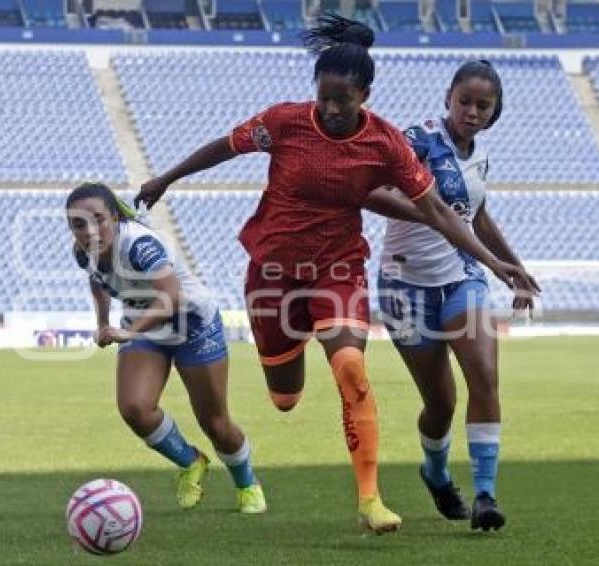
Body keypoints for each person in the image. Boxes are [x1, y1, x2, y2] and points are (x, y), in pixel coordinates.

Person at [135, 15, 538, 534]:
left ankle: (371, 500)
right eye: (323, 96)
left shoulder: (387, 144)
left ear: (364, 95)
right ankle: (290, 362)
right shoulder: (284, 121)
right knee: (285, 397)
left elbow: (441, 211)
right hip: (274, 271)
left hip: (339, 267)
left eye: (341, 100)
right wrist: (167, 177)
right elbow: (224, 146)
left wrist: (494, 262)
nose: (329, 108)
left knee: (351, 365)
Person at [377, 60, 537, 531]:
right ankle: (435, 472)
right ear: (448, 97)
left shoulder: (479, 156)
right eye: (464, 101)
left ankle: (486, 495)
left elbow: (478, 216)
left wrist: (515, 269)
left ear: (494, 111)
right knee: (440, 404)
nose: (471, 111)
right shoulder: (417, 141)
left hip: (462, 278)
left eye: (482, 106)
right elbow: (375, 192)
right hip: (404, 287)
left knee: (484, 373)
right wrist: (431, 214)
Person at [66, 182, 267, 514]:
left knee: (215, 423)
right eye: (78, 224)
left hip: (192, 324)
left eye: (98, 219)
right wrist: (103, 322)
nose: (89, 231)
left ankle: (247, 484)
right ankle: (191, 461)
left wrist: (127, 333)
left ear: (114, 217)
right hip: (145, 325)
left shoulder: (140, 244)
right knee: (135, 408)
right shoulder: (81, 251)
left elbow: (171, 297)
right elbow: (97, 281)